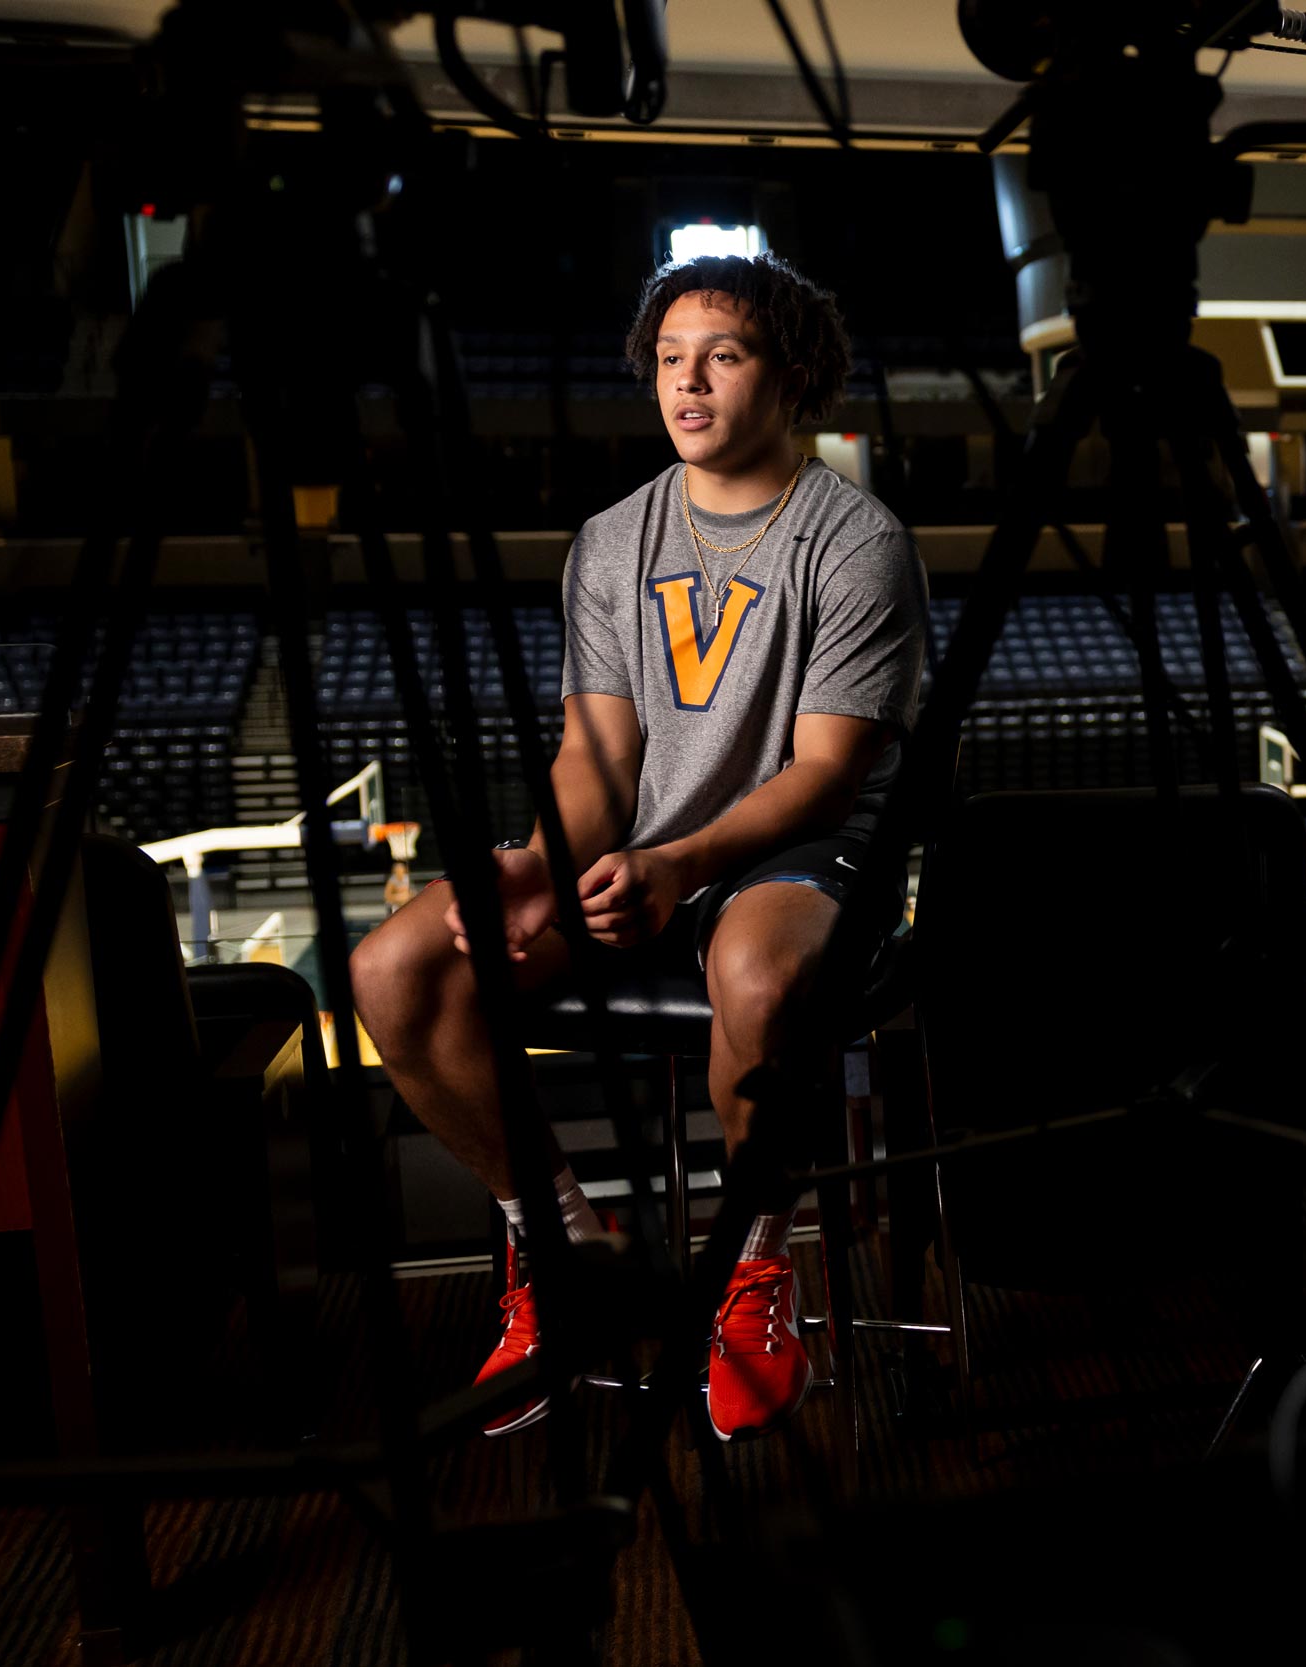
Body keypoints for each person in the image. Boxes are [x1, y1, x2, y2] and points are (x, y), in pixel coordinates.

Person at [351, 252, 929, 1440]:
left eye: (723, 354)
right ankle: (565, 1251)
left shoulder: (856, 539)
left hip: (798, 855)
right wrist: (541, 860)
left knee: (757, 976)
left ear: (791, 373)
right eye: (670, 358)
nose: (688, 382)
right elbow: (600, 755)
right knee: (394, 968)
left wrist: (680, 865)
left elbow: (825, 775)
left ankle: (751, 1268)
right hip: (644, 858)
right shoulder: (614, 539)